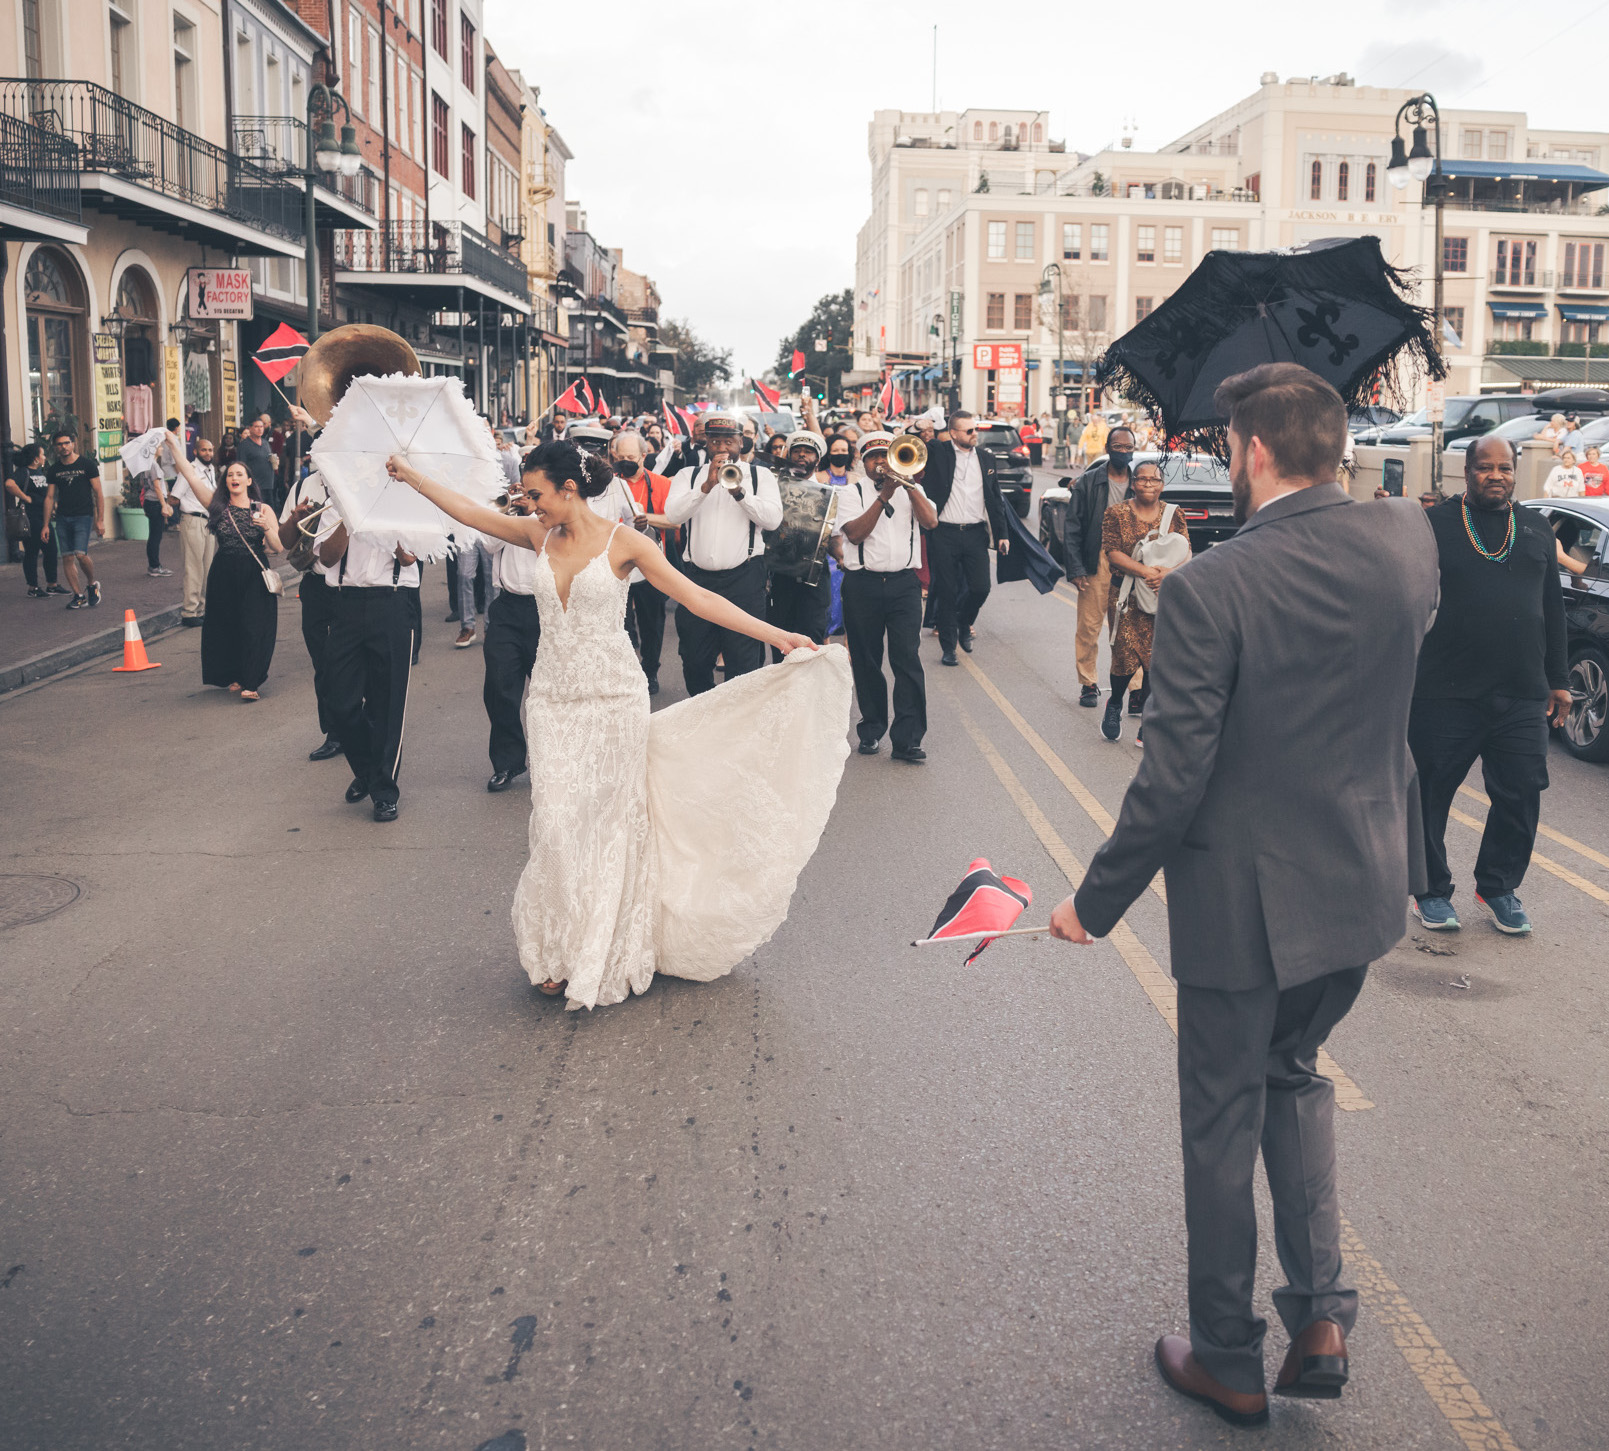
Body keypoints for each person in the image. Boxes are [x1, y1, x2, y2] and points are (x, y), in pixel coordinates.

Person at [1049, 362, 1440, 1426]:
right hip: (1363, 881)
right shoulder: (1408, 537)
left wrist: (1093, 900)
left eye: (1227, 443)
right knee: (1295, 1076)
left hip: (1243, 910)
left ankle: (1227, 1352)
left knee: (1220, 1125)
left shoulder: (1212, 586)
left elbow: (1171, 776)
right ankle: (1320, 1308)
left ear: (1251, 451)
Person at [386, 440, 850, 1010]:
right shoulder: (537, 536)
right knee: (556, 823)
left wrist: (776, 636)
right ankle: (560, 943)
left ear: (569, 489)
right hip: (554, 699)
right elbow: (469, 512)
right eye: (527, 496)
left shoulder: (626, 542)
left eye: (537, 495)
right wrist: (411, 475)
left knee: (607, 828)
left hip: (613, 701)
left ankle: (596, 949)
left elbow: (696, 596)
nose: (529, 505)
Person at [1409, 436, 1571, 936]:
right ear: (1467, 472)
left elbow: (1553, 609)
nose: (1495, 475)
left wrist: (1559, 681)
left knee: (1522, 790)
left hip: (1522, 691)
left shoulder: (1539, 529)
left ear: (1515, 472)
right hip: (1444, 691)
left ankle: (1497, 885)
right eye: (1485, 468)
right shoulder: (1433, 526)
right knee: (1431, 794)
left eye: (1504, 468)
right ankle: (1431, 891)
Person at [661, 412, 784, 695]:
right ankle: (704, 717)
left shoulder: (760, 475)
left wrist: (740, 493)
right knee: (694, 658)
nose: (722, 448)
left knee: (743, 661)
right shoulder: (687, 475)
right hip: (697, 581)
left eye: (729, 441)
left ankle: (736, 725)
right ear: (706, 443)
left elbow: (772, 520)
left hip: (744, 579)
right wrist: (706, 486)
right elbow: (673, 514)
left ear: (741, 442)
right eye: (715, 442)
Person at [834, 431, 936, 761]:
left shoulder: (913, 490)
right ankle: (872, 728)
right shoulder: (851, 493)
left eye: (885, 455)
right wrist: (884, 497)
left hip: (903, 584)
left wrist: (908, 487)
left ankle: (908, 739)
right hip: (862, 584)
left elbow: (931, 522)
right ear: (861, 462)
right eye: (873, 457)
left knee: (907, 659)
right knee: (866, 660)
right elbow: (855, 533)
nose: (880, 462)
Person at [316, 508, 421, 823]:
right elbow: (328, 557)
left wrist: (388, 527)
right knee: (339, 701)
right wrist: (350, 519)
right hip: (345, 602)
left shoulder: (404, 503)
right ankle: (367, 769)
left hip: (392, 601)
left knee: (389, 703)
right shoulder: (337, 505)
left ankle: (384, 791)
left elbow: (409, 558)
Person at [167, 432, 282, 700]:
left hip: (254, 573)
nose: (234, 478)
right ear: (225, 481)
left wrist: (267, 528)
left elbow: (277, 548)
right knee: (228, 625)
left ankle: (251, 683)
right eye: (230, 475)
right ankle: (235, 674)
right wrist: (174, 446)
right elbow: (191, 476)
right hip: (224, 572)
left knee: (254, 626)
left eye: (240, 475)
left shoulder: (263, 509)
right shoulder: (217, 505)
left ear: (249, 481)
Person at [1099, 459, 1191, 744]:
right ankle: (1115, 702)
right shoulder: (1116, 513)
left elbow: (1186, 550)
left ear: (1162, 485)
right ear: (1133, 483)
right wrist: (1147, 572)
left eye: (1154, 479)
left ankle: (1147, 723)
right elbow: (1112, 552)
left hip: (1161, 595)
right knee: (1124, 657)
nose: (1148, 484)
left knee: (1156, 660)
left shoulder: (1175, 514)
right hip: (1126, 596)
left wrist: (1168, 574)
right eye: (1142, 479)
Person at [276, 406, 343, 759]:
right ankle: (334, 732)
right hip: (316, 586)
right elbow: (285, 540)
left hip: (351, 588)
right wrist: (296, 519)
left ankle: (358, 723)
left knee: (351, 662)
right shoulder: (304, 485)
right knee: (323, 663)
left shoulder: (357, 484)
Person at [922, 410, 1010, 667]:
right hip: (944, 533)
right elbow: (913, 443)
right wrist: (920, 426)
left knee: (980, 587)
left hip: (975, 533)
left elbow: (995, 499)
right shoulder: (939, 452)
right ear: (953, 433)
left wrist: (1002, 534)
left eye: (975, 429)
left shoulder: (986, 458)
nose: (975, 434)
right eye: (969, 430)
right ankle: (949, 648)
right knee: (947, 593)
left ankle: (964, 621)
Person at [1063, 424, 1137, 705]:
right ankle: (1088, 683)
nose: (1123, 452)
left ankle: (1135, 688)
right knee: (1089, 627)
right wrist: (1076, 569)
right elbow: (1073, 527)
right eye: (1118, 447)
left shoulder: (1138, 482)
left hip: (1130, 564)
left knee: (1127, 629)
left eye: (1128, 448)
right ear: (1108, 449)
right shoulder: (1088, 482)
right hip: (1097, 560)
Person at [482, 477, 543, 792]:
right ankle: (507, 762)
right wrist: (506, 513)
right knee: (499, 686)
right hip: (506, 607)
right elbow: (488, 544)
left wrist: (533, 514)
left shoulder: (553, 509)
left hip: (546, 609)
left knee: (549, 693)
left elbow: (555, 545)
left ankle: (552, 763)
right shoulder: (507, 509)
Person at [611, 429, 674, 693]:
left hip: (651, 564)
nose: (626, 461)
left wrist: (646, 519)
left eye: (631, 457)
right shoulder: (608, 484)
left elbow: (674, 519)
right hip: (617, 564)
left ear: (644, 456)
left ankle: (650, 670)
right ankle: (627, 668)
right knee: (618, 621)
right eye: (621, 456)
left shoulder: (662, 484)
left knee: (652, 622)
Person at [766, 431, 834, 663]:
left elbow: (835, 537)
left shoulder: (831, 493)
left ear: (817, 459)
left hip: (813, 578)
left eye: (808, 452)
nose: (802, 455)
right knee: (781, 641)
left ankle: (811, 695)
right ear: (788, 455)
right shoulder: (773, 486)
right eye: (797, 451)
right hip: (780, 576)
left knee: (812, 640)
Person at [41, 429, 103, 611]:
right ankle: (78, 595)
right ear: (55, 447)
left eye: (66, 443)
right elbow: (49, 497)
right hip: (62, 518)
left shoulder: (87, 465)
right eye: (59, 444)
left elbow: (98, 492)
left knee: (81, 554)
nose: (64, 447)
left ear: (73, 443)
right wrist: (45, 525)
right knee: (67, 557)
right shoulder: (54, 469)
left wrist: (100, 520)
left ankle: (92, 584)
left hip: (83, 516)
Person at [6, 443, 64, 598]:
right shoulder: (23, 472)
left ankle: (52, 585)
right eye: (43, 454)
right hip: (30, 516)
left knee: (51, 549)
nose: (45, 457)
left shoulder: (40, 472)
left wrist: (53, 505)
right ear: (36, 458)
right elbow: (9, 484)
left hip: (43, 516)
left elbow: (46, 493)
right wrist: (25, 498)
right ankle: (33, 587)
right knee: (32, 551)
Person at [171, 436, 218, 625]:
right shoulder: (188, 471)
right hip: (193, 521)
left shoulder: (210, 470)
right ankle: (189, 612)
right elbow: (174, 497)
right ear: (196, 452)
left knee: (208, 568)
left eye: (211, 450)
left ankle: (201, 609)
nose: (208, 453)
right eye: (204, 450)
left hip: (209, 522)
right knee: (193, 567)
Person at [142, 419, 179, 576]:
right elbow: (157, 487)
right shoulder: (154, 466)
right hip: (155, 502)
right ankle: (155, 566)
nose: (162, 449)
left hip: (151, 502)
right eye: (159, 447)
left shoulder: (149, 465)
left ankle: (154, 565)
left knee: (154, 535)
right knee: (156, 536)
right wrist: (164, 504)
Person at [235, 416, 277, 508]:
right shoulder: (244, 445)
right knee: (256, 512)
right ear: (250, 428)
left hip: (268, 484)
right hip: (254, 486)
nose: (260, 429)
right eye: (256, 427)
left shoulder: (265, 443)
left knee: (269, 510)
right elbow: (241, 465)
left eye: (261, 427)